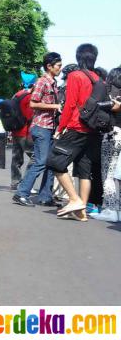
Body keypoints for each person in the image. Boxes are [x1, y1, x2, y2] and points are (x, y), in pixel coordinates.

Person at [46, 44, 101, 220]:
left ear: (79, 57)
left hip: (76, 126)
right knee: (84, 170)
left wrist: (60, 128)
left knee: (54, 161)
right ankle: (81, 212)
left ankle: (75, 199)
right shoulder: (98, 79)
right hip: (92, 129)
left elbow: (70, 105)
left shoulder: (75, 76)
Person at [13, 53, 62, 206]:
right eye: (58, 66)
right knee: (41, 162)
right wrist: (55, 106)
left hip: (49, 127)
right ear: (49, 66)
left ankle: (45, 196)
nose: (60, 69)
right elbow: (33, 103)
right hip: (41, 127)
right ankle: (21, 193)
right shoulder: (42, 82)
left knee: (49, 163)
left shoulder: (53, 82)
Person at [91, 67, 121, 222]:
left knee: (108, 174)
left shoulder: (112, 90)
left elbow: (113, 106)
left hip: (111, 133)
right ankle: (119, 210)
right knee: (118, 176)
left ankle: (110, 209)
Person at [10, 73, 37, 190]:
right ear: (33, 84)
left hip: (15, 130)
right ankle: (26, 184)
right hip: (26, 132)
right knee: (35, 157)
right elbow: (30, 115)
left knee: (16, 158)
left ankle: (15, 182)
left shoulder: (16, 95)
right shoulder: (29, 96)